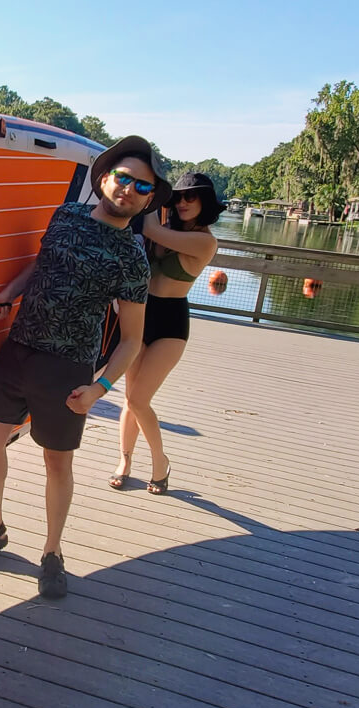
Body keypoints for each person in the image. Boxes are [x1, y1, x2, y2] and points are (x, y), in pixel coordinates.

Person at [0, 136, 168, 599]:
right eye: (123, 178)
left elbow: (131, 339)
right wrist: (11, 289)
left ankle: (52, 553)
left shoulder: (132, 258)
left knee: (56, 462)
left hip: (69, 368)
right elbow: (41, 265)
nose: (129, 190)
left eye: (142, 187)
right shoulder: (65, 215)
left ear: (148, 199)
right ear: (105, 178)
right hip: (19, 349)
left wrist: (99, 387)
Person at [109, 172, 224, 494]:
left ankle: (160, 462)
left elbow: (148, 229)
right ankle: (125, 462)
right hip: (140, 315)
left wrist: (149, 196)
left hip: (172, 323)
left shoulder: (205, 241)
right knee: (131, 399)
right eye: (178, 197)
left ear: (205, 201)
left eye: (191, 197)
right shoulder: (167, 228)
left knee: (138, 398)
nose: (183, 203)